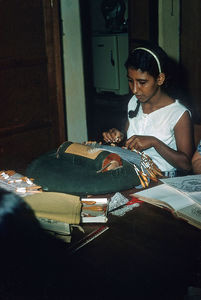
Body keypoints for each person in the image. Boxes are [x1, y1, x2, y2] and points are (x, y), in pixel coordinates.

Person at [102, 43, 194, 177]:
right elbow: (129, 136)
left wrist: (154, 142)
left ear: (160, 79)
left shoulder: (178, 114)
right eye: (130, 81)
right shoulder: (134, 102)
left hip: (163, 179)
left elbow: (186, 165)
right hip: (133, 174)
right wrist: (119, 136)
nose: (134, 89)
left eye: (142, 82)